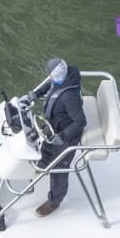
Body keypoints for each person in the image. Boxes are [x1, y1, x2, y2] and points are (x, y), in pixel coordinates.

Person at [31, 57, 86, 216]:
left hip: (67, 135)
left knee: (59, 169)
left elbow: (80, 121)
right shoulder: (62, 79)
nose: (50, 78)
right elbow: (50, 85)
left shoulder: (69, 97)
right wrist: (35, 94)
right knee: (44, 147)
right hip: (54, 126)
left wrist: (62, 136)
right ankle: (43, 163)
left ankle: (55, 201)